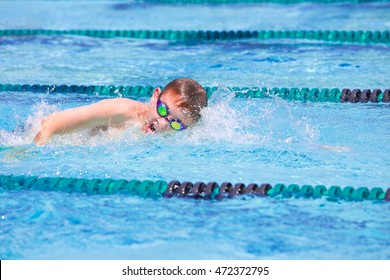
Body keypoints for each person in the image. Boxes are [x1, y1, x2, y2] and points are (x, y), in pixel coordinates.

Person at [33, 78, 208, 145]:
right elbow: (52, 124)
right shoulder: (123, 112)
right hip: (35, 136)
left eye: (175, 123)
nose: (163, 123)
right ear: (155, 96)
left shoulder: (175, 138)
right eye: (163, 110)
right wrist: (30, 151)